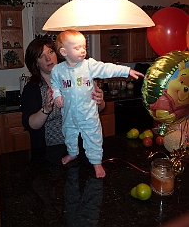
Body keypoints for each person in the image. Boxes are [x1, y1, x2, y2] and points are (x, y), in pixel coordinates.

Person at [50, 30, 145, 178]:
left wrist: (127, 71)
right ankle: (72, 153)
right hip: (69, 115)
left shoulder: (89, 65)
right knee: (69, 134)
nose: (82, 51)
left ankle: (96, 162)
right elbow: (54, 85)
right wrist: (56, 95)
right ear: (64, 52)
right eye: (77, 48)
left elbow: (107, 68)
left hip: (88, 115)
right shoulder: (57, 70)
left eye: (84, 47)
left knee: (93, 137)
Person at [21, 37, 105, 160]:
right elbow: (31, 125)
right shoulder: (32, 89)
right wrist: (46, 109)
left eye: (50, 52)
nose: (48, 58)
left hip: (82, 147)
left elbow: (99, 109)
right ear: (36, 63)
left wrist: (99, 100)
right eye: (41, 56)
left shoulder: (78, 76)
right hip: (51, 151)